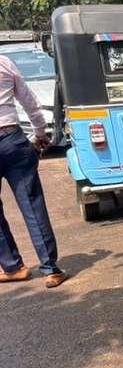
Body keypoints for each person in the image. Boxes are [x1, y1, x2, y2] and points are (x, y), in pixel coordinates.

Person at [0, 52, 66, 287]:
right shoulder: (4, 62)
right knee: (31, 203)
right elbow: (28, 100)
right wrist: (40, 132)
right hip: (12, 139)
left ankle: (13, 267)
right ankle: (50, 269)